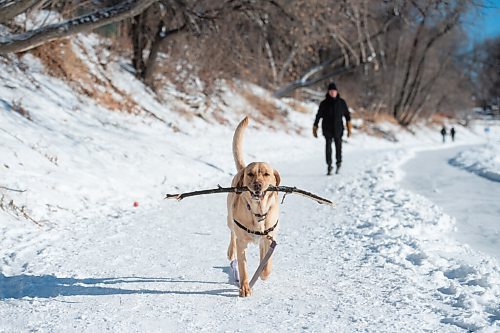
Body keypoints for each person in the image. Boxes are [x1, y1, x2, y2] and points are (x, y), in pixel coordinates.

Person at [313, 82, 352, 175]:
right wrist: (315, 126)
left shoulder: (342, 102)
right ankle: (329, 165)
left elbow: (347, 115)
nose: (332, 93)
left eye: (334, 91)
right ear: (328, 92)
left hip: (338, 129)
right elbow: (318, 115)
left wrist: (349, 126)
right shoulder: (324, 103)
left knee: (338, 147)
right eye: (331, 91)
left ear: (336, 91)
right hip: (327, 129)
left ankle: (339, 163)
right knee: (328, 148)